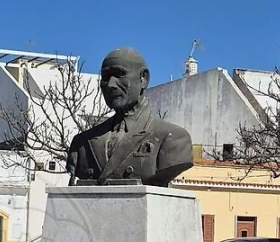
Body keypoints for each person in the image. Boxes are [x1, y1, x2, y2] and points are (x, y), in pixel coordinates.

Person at [66, 47, 194, 187]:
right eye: (106, 77)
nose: (110, 85)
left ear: (143, 79)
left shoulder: (173, 138)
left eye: (119, 74)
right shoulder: (82, 144)